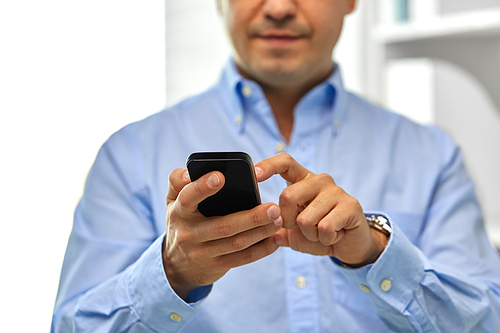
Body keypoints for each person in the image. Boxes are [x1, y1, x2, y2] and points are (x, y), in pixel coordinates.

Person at [52, 0, 500, 332]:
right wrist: (172, 272)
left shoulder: (433, 155)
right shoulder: (127, 154)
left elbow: (487, 321)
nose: (281, 7)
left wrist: (375, 253)